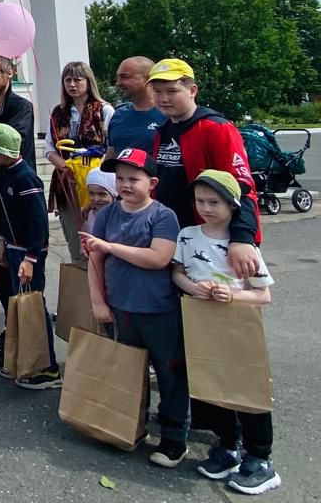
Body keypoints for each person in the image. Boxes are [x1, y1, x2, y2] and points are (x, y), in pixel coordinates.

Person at [172, 170, 280, 494]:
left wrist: (232, 295)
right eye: (200, 200)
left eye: (214, 202)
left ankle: (259, 458)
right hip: (201, 320)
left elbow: (264, 294)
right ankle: (227, 445)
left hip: (237, 326)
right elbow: (177, 272)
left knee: (247, 386)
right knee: (212, 383)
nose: (205, 207)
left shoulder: (242, 247)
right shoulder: (188, 235)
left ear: (233, 206)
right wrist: (192, 287)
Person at [82, 147, 186, 467]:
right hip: (120, 308)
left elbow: (159, 258)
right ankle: (128, 425)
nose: (125, 185)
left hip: (158, 310)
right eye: (120, 178)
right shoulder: (109, 213)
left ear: (152, 182)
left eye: (134, 179)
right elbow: (94, 258)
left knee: (170, 374)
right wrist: (98, 301)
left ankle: (173, 437)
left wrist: (112, 246)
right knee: (127, 370)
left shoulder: (163, 215)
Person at [148, 59, 261, 280]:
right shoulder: (164, 130)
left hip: (211, 237)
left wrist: (243, 238)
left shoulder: (215, 128)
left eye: (172, 91)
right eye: (157, 91)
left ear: (192, 91)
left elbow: (242, 187)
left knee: (217, 305)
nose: (163, 98)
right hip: (173, 236)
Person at [0, 123, 61, 390]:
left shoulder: (25, 177)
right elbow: (6, 214)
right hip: (13, 248)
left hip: (29, 253)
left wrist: (31, 258)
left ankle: (48, 367)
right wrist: (3, 241)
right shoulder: (4, 173)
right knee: (18, 306)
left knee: (33, 307)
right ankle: (24, 359)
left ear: (4, 150)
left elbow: (39, 221)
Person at [0, 54, 36, 362]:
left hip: (14, 193)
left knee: (15, 266)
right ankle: (12, 329)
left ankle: (25, 339)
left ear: (9, 74)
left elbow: (13, 142)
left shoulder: (20, 107)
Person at [46, 61, 115, 264]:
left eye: (77, 79)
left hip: (98, 182)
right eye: (68, 80)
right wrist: (66, 166)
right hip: (66, 181)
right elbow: (50, 148)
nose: (72, 84)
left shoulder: (104, 110)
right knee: (74, 234)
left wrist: (94, 172)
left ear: (88, 81)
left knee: (99, 232)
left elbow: (112, 145)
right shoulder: (58, 113)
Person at [106, 56, 164, 157]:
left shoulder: (168, 115)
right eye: (118, 77)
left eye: (125, 77)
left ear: (148, 79)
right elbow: (111, 155)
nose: (118, 83)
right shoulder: (118, 115)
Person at [82, 168, 117, 232]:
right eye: (91, 193)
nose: (96, 199)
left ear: (114, 194)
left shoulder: (120, 216)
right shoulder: (88, 215)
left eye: (102, 194)